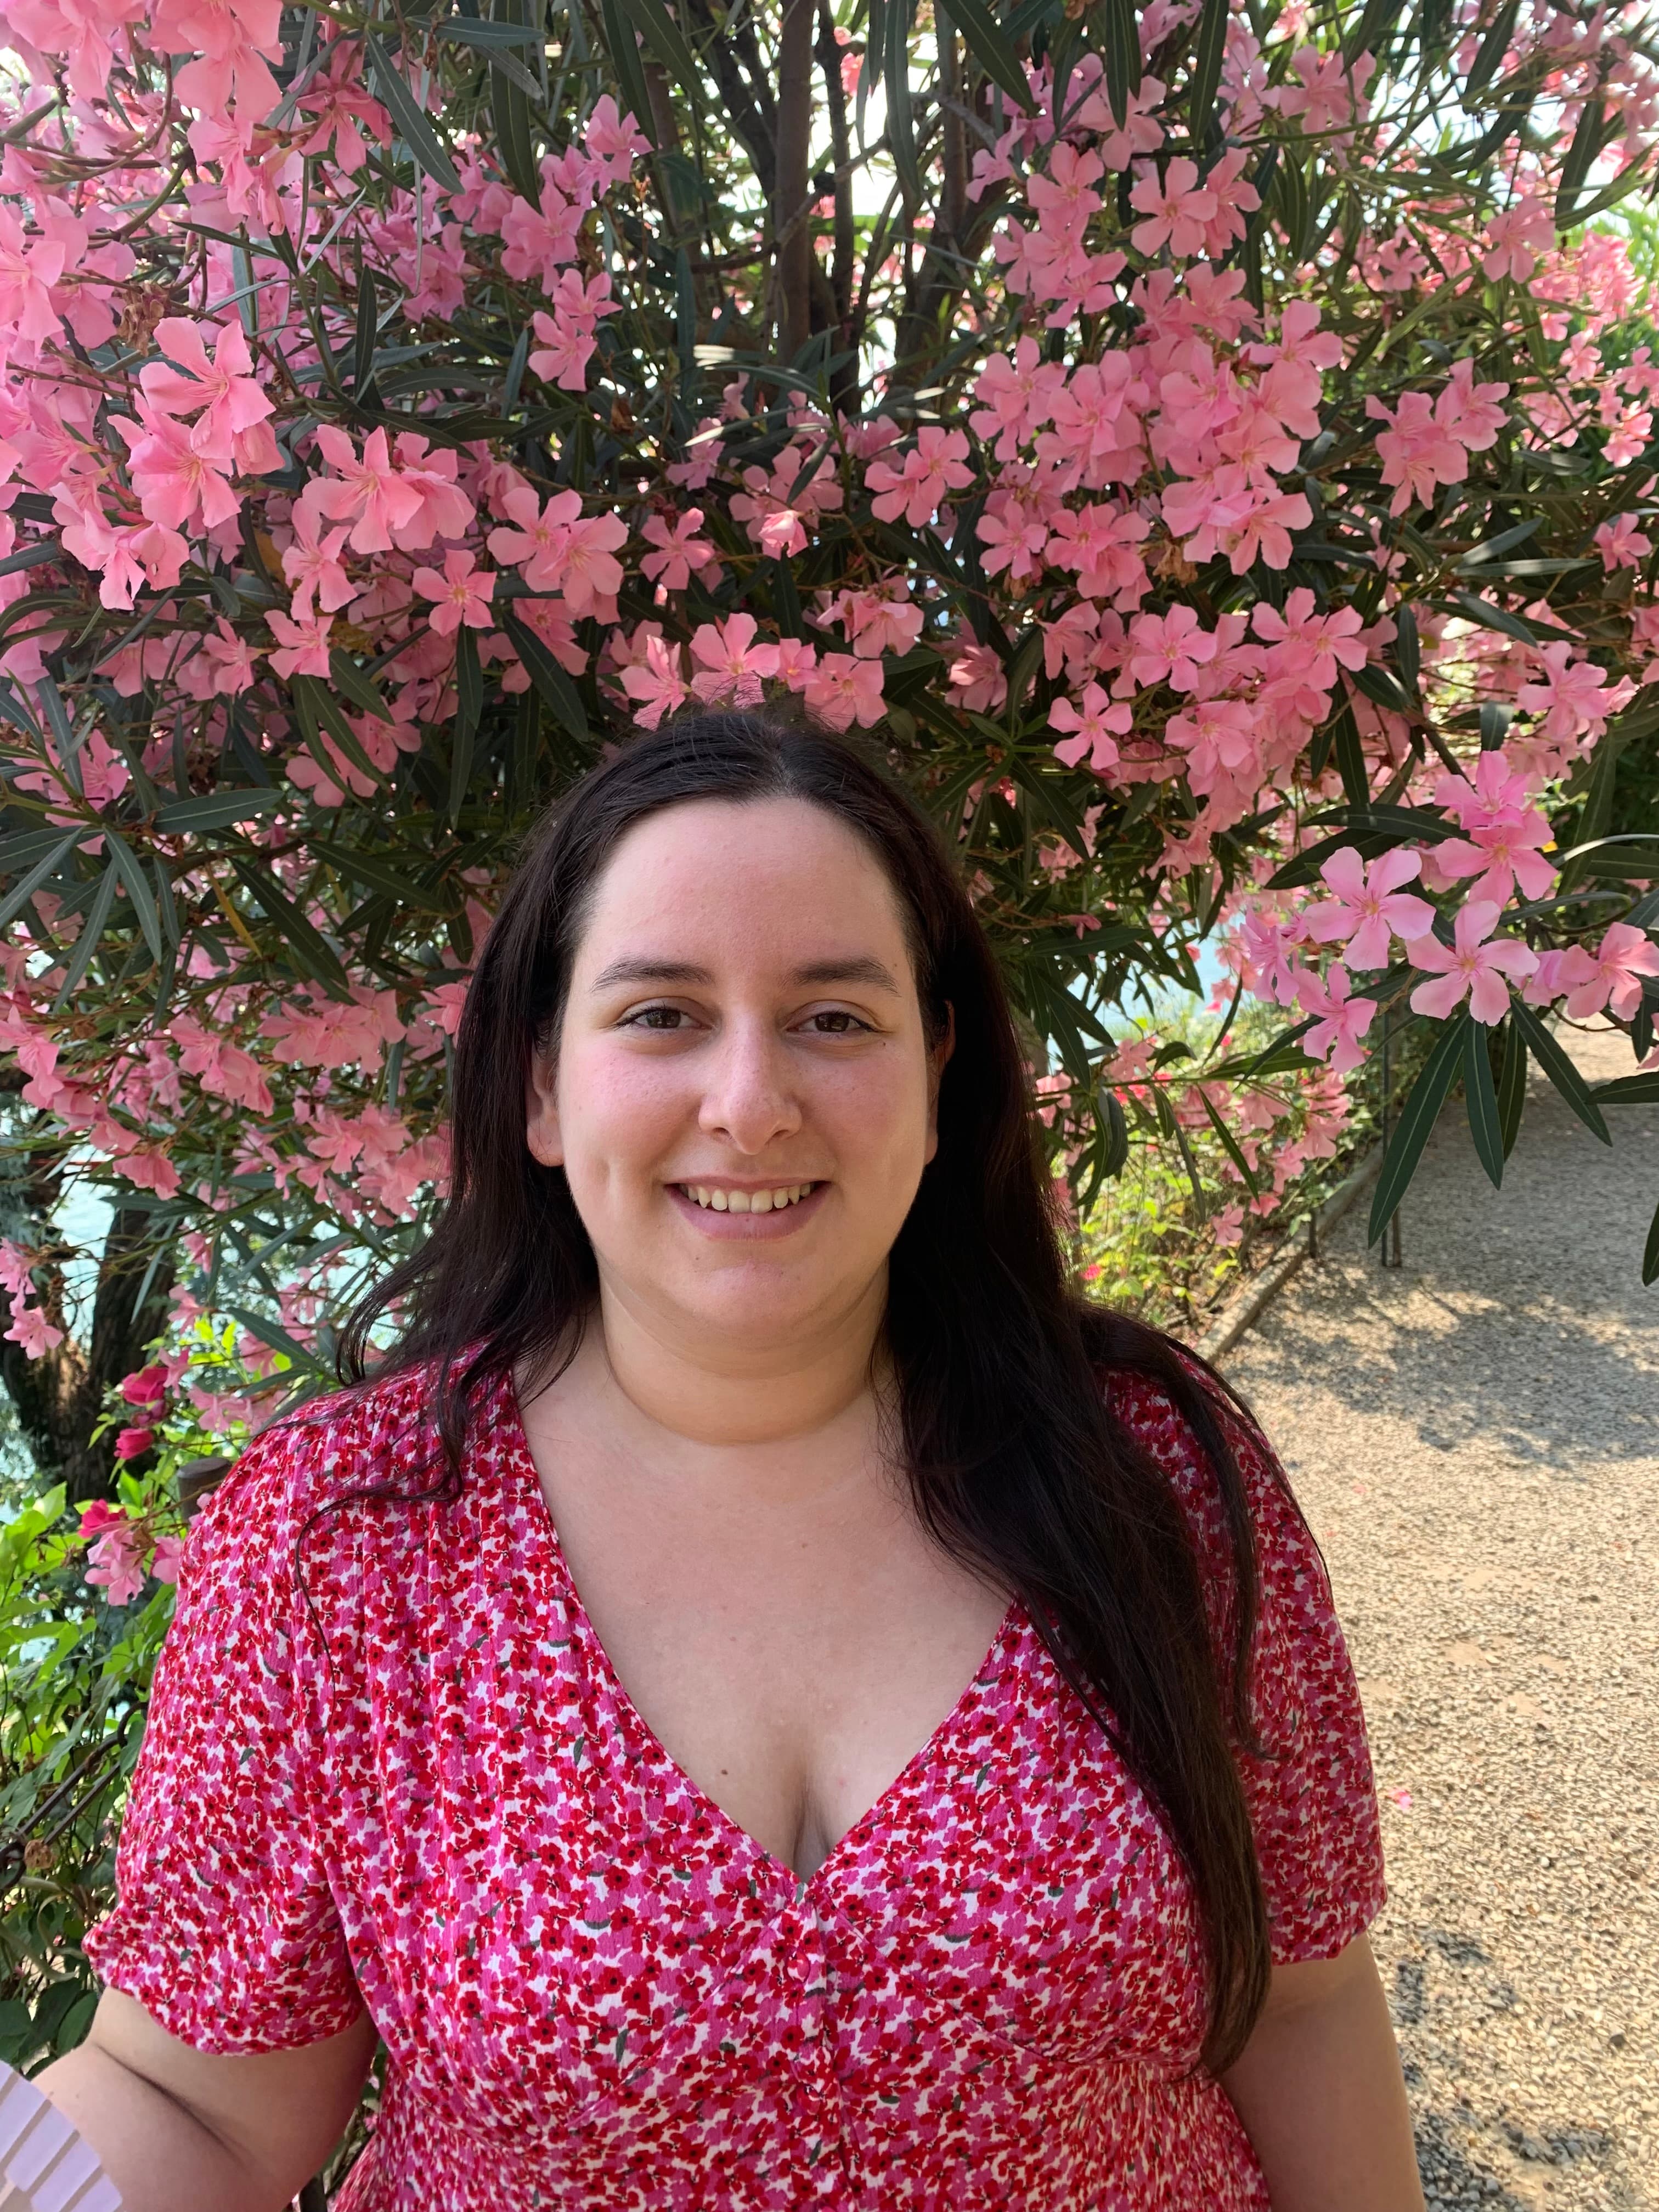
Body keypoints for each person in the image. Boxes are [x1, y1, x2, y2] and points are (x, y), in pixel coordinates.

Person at [38, 709, 1424, 2211]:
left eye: (835, 1017)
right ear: (543, 1088)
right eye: (661, 1015)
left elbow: (1303, 2003)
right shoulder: (340, 1542)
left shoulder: (1155, 1471)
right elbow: (199, 2101)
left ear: (940, 1069)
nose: (751, 1103)